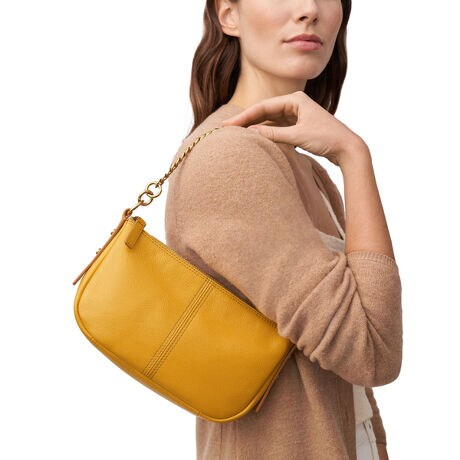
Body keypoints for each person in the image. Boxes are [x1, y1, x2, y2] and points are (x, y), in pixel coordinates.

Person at [164, 0, 403, 459]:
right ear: (228, 15)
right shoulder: (231, 160)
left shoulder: (305, 169)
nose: (309, 9)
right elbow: (372, 350)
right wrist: (355, 155)